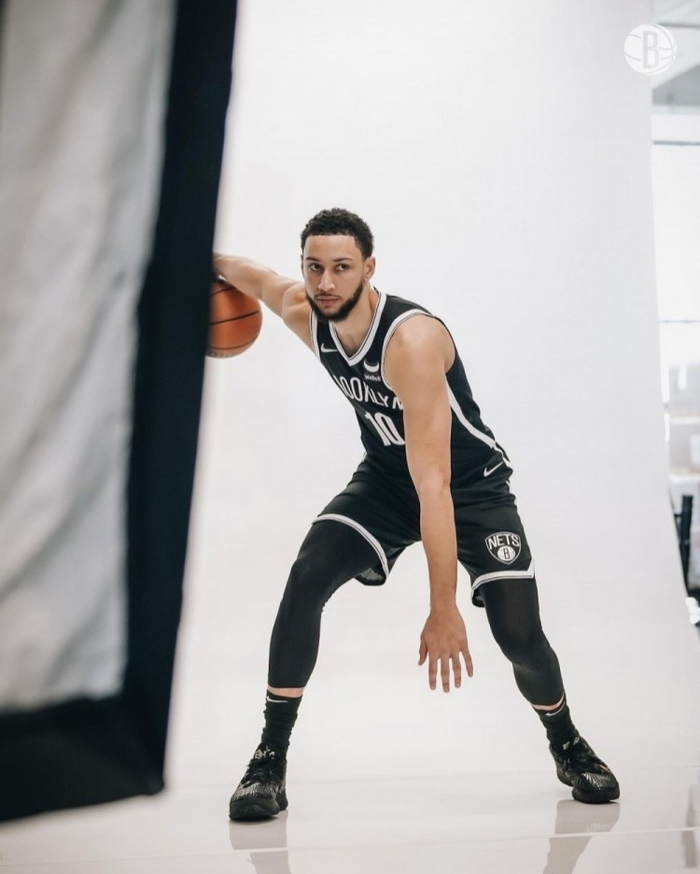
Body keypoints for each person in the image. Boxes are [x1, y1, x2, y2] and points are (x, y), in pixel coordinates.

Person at [214, 208, 619, 820]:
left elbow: (436, 485)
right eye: (314, 267)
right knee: (307, 576)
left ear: (369, 269)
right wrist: (194, 260)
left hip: (470, 489)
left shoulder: (410, 343)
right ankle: (269, 760)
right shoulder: (305, 311)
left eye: (342, 268)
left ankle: (567, 742)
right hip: (386, 480)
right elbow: (253, 275)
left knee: (519, 636)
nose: (326, 282)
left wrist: (443, 607)